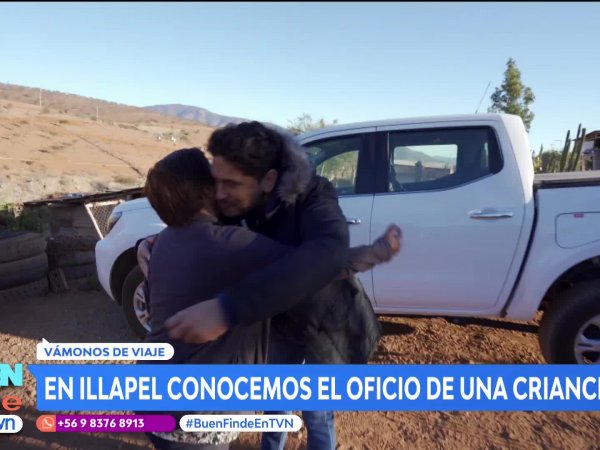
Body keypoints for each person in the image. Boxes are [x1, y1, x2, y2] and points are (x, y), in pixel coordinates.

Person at [139, 123, 402, 450]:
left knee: (309, 407)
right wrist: (380, 250)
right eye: (215, 181)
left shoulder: (165, 241)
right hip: (203, 402)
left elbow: (326, 257)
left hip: (155, 393)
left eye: (230, 182)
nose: (222, 191)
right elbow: (322, 265)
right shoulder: (229, 234)